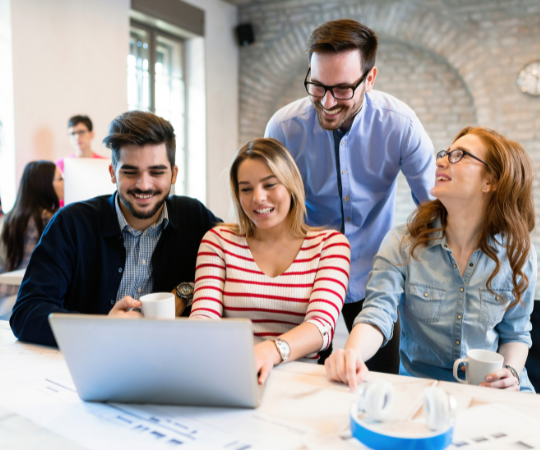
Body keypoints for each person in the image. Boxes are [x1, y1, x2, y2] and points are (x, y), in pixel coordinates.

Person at [265, 19, 435, 371]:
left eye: (342, 89)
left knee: (383, 376)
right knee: (294, 372)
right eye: (317, 85)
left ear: (369, 79)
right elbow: (269, 210)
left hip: (374, 274)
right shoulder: (283, 127)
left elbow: (433, 207)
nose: (326, 102)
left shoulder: (400, 125)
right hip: (305, 273)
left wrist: (418, 273)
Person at [325, 126, 536, 393]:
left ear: (490, 181)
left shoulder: (519, 252)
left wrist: (511, 374)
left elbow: (516, 333)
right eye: (445, 153)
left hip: (497, 391)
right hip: (424, 389)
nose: (440, 161)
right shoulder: (402, 243)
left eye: (460, 155)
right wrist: (352, 354)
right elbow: (377, 314)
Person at [10, 111, 220, 346]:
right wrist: (103, 330)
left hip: (170, 364)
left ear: (174, 174)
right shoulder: (71, 223)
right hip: (87, 368)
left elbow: (243, 257)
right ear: (112, 173)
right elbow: (26, 313)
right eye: (130, 172)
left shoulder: (194, 216)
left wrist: (185, 291)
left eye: (157, 172)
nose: (144, 185)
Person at [190, 138, 351, 384]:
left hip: (301, 380)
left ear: (291, 185)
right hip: (233, 374)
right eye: (246, 189)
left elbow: (321, 326)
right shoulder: (218, 240)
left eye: (270, 185)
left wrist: (271, 350)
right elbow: (204, 316)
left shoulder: (330, 245)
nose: (258, 198)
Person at [0, 161, 64, 319]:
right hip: (22, 299)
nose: (65, 182)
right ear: (44, 184)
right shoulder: (46, 219)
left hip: (5, 296)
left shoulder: (10, 218)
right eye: (60, 178)